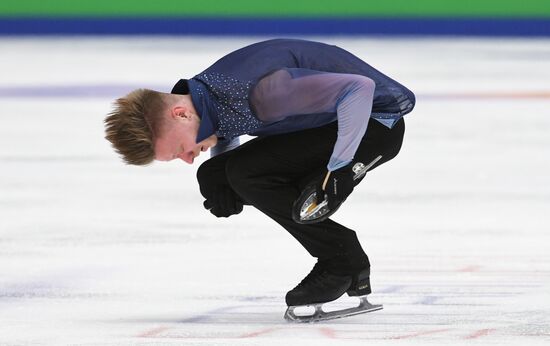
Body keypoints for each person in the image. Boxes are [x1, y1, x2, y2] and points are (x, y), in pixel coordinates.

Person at [104, 38, 415, 322]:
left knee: (244, 172)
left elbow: (358, 89)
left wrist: (340, 168)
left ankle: (341, 261)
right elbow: (227, 125)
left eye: (178, 150)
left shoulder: (263, 92)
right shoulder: (207, 95)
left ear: (181, 114)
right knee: (218, 175)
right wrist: (222, 177)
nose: (187, 158)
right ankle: (344, 256)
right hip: (328, 125)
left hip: (374, 125)